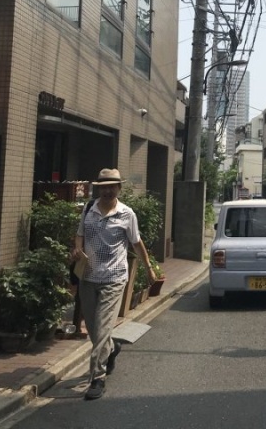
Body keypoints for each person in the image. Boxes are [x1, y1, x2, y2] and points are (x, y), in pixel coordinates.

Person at [70, 168, 156, 401]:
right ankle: (113, 348)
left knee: (103, 327)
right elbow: (80, 234)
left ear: (119, 188)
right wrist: (77, 248)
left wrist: (148, 269)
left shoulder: (127, 214)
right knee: (94, 330)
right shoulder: (89, 209)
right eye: (104, 186)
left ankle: (97, 378)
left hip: (114, 278)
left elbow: (137, 243)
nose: (108, 190)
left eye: (112, 186)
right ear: (99, 188)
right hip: (88, 277)